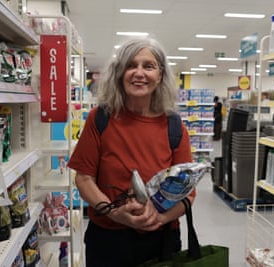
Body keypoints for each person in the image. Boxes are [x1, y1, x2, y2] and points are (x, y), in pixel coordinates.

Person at [67, 37, 194, 267]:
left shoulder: (174, 126)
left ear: (161, 75)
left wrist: (159, 218)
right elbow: (84, 179)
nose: (139, 73)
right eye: (130, 65)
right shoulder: (101, 118)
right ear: (119, 73)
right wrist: (114, 213)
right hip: (108, 239)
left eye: (148, 66)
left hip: (161, 240)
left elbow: (187, 192)